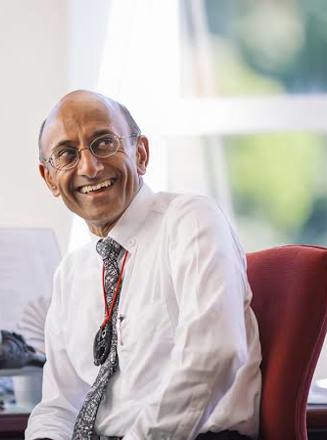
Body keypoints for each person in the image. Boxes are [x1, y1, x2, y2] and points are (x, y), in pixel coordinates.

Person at [25, 90, 262, 440]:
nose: (89, 167)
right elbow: (59, 406)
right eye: (67, 154)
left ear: (141, 154)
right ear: (49, 179)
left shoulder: (192, 221)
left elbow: (214, 354)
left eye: (104, 143)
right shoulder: (71, 273)